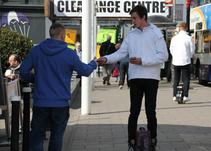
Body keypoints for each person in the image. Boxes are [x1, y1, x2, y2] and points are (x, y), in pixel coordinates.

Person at [97, 5, 168, 151]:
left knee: (150, 111)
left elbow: (164, 56)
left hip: (151, 78)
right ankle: (131, 141)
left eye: (135, 18)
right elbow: (120, 53)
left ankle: (153, 140)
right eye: (132, 18)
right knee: (133, 111)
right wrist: (105, 58)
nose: (133, 21)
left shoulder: (156, 33)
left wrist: (143, 61)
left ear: (143, 17)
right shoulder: (132, 35)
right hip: (135, 77)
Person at [20, 23, 98, 151]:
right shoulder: (69, 54)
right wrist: (93, 64)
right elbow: (84, 71)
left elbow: (23, 71)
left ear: (50, 35)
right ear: (62, 36)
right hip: (60, 103)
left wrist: (35, 80)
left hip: (41, 102)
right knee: (57, 136)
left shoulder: (37, 50)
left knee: (37, 135)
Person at [170, 22, 195, 102]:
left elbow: (171, 49)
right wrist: (189, 56)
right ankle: (185, 95)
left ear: (180, 28)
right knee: (186, 78)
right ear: (186, 28)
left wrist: (175, 56)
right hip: (185, 61)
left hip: (176, 61)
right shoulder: (189, 38)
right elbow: (192, 49)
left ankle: (174, 95)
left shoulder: (174, 38)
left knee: (176, 78)